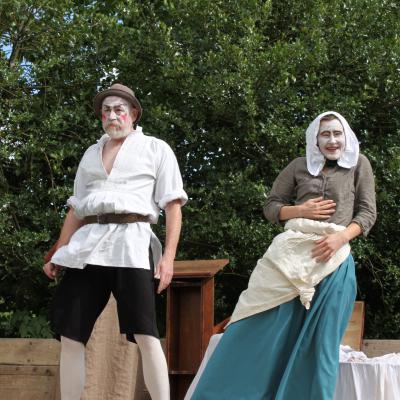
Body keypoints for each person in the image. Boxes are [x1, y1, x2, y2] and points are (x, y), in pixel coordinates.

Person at [190, 111, 376, 399]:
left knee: (321, 345)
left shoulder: (358, 164)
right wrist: (301, 210)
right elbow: (271, 206)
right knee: (260, 328)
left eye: (337, 133)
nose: (332, 140)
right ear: (315, 139)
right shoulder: (299, 166)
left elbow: (367, 213)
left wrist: (340, 238)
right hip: (288, 259)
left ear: (346, 136)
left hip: (334, 260)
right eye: (325, 134)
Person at [43, 83, 187, 400]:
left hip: (132, 245)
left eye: (118, 109)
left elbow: (173, 206)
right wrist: (58, 251)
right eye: (106, 110)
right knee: (71, 335)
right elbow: (76, 209)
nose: (112, 115)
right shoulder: (90, 154)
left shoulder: (155, 149)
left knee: (146, 334)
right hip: (87, 247)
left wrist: (168, 258)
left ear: (133, 113)